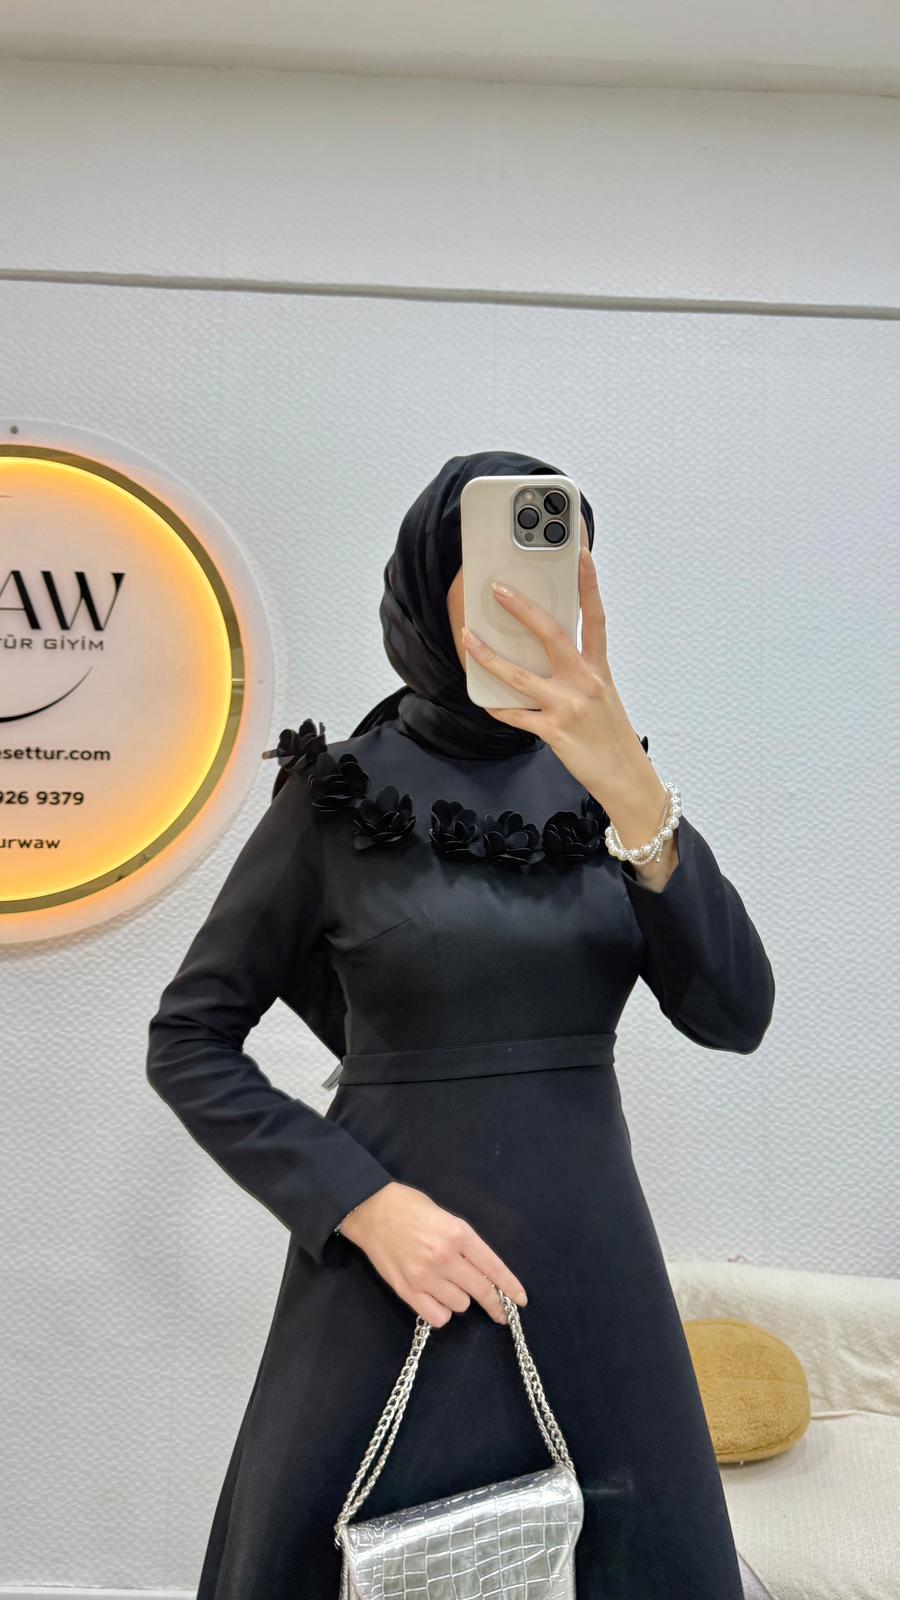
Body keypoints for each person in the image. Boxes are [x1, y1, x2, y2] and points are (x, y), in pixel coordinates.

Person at [146, 449, 775, 1599]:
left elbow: (737, 1012)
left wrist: (634, 790)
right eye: (493, 568)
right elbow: (189, 1034)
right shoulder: (339, 795)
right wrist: (361, 1204)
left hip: (591, 1273)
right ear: (428, 582)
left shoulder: (615, 792)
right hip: (389, 1271)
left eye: (554, 573)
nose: (524, 599)